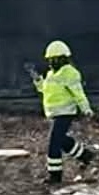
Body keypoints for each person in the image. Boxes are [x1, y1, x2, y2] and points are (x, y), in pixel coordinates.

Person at [31, 40, 95, 184]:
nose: (52, 62)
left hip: (66, 113)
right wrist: (37, 80)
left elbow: (79, 94)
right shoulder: (51, 74)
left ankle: (55, 176)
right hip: (55, 114)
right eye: (50, 59)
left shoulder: (70, 73)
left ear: (63, 58)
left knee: (54, 144)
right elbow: (45, 90)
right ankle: (85, 155)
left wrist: (86, 109)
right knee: (61, 140)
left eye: (55, 59)